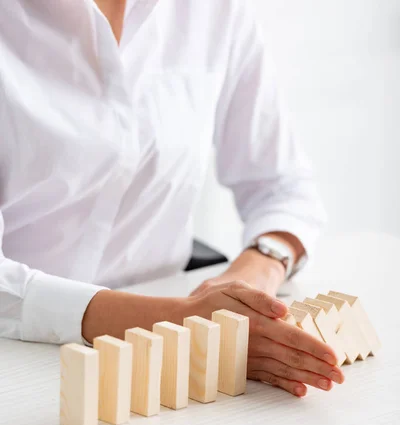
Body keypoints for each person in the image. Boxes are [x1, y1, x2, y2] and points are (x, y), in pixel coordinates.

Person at [0, 0, 344, 396]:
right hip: (18, 357)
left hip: (166, 360)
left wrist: (252, 277)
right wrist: (179, 323)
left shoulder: (213, 10)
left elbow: (284, 186)